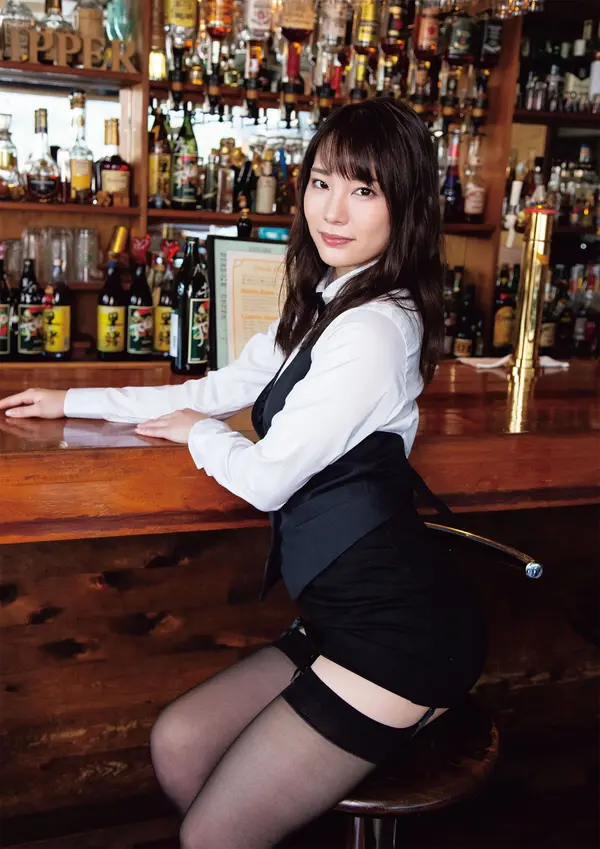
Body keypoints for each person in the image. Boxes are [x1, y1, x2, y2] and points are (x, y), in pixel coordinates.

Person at [0, 99, 487, 849]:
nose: (333, 211)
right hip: (339, 623)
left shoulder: (374, 328)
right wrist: (72, 399)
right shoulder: (329, 300)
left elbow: (265, 479)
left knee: (210, 834)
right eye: (322, 182)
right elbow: (212, 390)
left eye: (363, 190)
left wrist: (199, 435)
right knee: (179, 742)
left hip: (399, 640)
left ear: (407, 205)